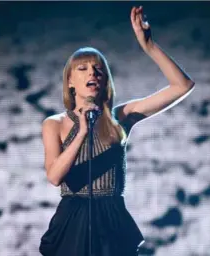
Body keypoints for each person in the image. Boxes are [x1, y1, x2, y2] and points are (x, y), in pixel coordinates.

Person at [39, 6, 195, 256]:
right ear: (70, 82)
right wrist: (81, 132)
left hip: (112, 217)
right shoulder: (54, 124)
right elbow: (55, 176)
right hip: (73, 221)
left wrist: (149, 46)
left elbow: (182, 86)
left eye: (98, 68)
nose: (92, 72)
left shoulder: (120, 117)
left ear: (105, 80)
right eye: (83, 68)